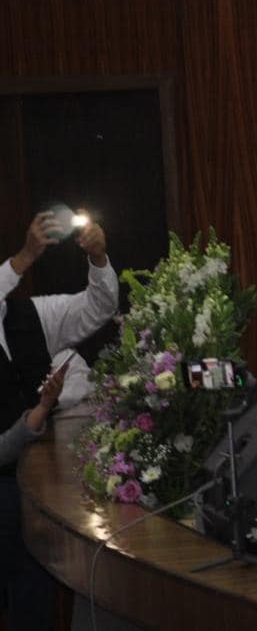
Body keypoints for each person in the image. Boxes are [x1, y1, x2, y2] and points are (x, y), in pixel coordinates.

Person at [1, 210, 118, 631]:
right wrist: (25, 257)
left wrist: (98, 259)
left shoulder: (33, 314)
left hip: (41, 481)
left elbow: (99, 306)